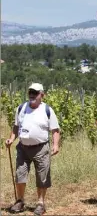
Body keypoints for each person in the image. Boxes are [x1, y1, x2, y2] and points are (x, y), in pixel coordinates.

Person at [5, 83, 61, 215]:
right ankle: (20, 201)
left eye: (35, 93)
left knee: (42, 176)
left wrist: (55, 145)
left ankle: (40, 203)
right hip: (23, 147)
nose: (32, 95)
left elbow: (55, 130)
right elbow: (16, 127)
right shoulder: (21, 108)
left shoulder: (47, 110)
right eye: (30, 92)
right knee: (20, 174)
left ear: (42, 95)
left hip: (41, 148)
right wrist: (12, 139)